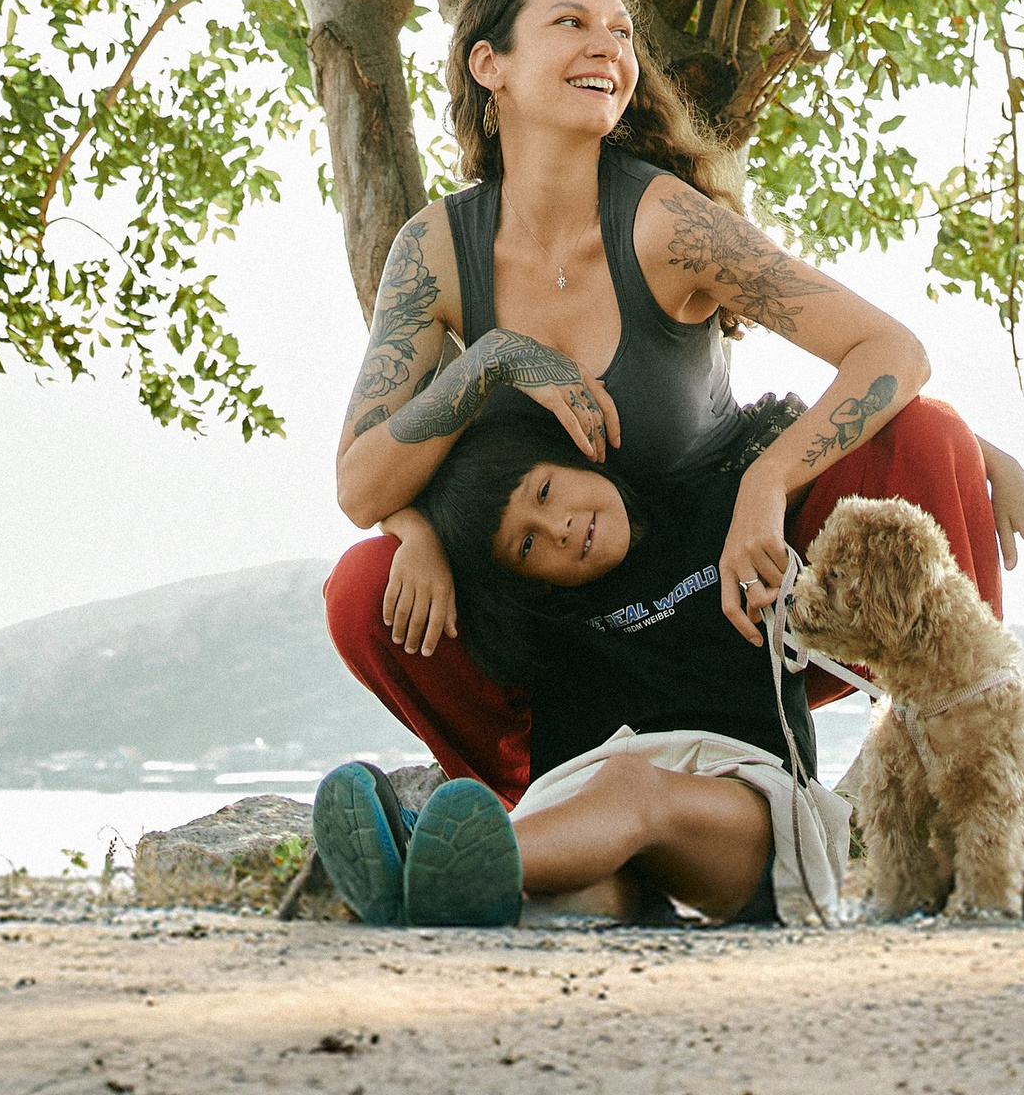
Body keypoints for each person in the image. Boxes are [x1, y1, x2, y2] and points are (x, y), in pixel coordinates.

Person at [325, 0, 1024, 799]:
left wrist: (768, 482)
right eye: (572, 23)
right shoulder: (436, 250)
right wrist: (492, 365)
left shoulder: (667, 222)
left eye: (623, 32)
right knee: (362, 590)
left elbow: (894, 352)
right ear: (489, 63)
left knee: (930, 432)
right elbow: (360, 486)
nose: (609, 46)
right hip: (577, 621)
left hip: (736, 582)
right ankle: (525, 808)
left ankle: (966, 765)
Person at [315, 396, 821, 928]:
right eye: (527, 543)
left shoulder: (718, 510)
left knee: (630, 785)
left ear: (573, 455)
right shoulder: (545, 613)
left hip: (750, 815)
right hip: (591, 832)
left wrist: (766, 486)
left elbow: (832, 408)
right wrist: (418, 534)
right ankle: (442, 893)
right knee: (581, 892)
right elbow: (375, 491)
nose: (557, 528)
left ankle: (426, 862)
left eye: (546, 491)